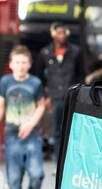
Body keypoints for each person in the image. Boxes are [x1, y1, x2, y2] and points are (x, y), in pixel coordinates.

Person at [0, 45, 47, 189]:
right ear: (11, 64)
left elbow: (41, 106)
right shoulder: (5, 82)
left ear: (29, 64)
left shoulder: (36, 83)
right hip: (12, 136)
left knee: (37, 174)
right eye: (17, 62)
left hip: (32, 136)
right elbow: (0, 106)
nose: (21, 66)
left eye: (24, 62)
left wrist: (31, 124)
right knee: (14, 177)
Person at [35, 23, 83, 156]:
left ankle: (70, 160)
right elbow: (39, 76)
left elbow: (81, 74)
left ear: (67, 34)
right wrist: (45, 96)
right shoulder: (45, 52)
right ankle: (58, 162)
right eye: (58, 33)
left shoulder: (76, 52)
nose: (61, 36)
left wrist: (79, 92)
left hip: (71, 95)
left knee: (72, 129)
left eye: (63, 32)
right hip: (54, 96)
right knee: (56, 130)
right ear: (53, 34)